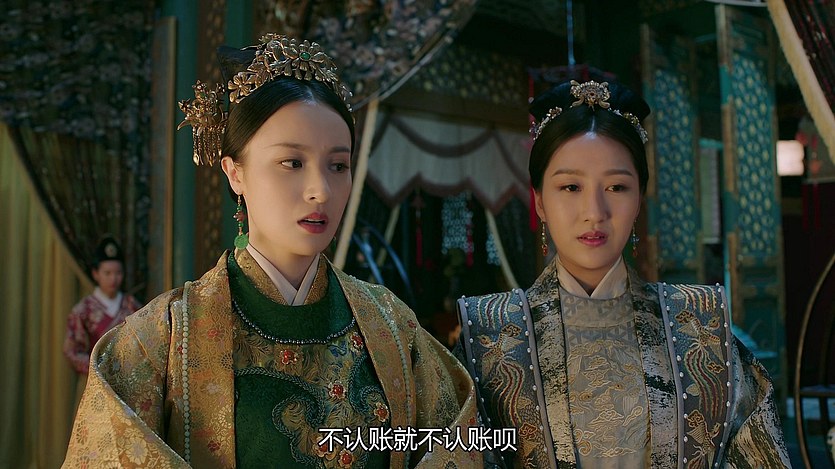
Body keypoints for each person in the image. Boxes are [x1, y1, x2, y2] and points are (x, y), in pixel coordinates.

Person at [64, 34, 480, 468]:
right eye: (292, 163)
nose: (321, 190)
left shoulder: (393, 327)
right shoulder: (161, 340)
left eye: (338, 165)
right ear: (235, 173)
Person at [456, 80, 791, 468]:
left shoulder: (700, 324)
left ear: (639, 199)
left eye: (616, 187)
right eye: (570, 187)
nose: (594, 211)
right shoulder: (489, 335)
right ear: (540, 201)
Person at [63, 235, 141, 376]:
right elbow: (71, 351)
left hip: (128, 378)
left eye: (118, 273)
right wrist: (98, 367)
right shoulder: (83, 310)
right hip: (95, 378)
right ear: (95, 274)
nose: (113, 279)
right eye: (107, 273)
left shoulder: (132, 305)